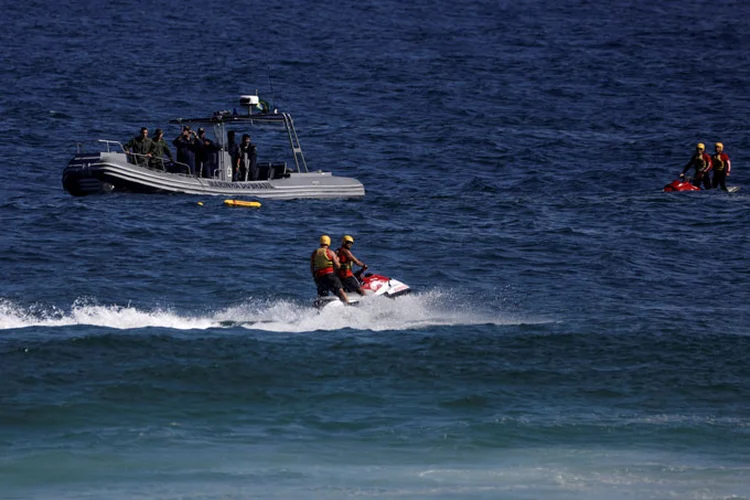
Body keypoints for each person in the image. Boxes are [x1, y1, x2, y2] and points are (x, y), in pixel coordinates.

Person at [310, 235, 349, 304]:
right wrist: (338, 259)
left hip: (319, 276)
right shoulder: (330, 252)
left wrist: (314, 276)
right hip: (330, 275)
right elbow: (337, 265)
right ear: (329, 243)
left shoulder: (314, 253)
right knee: (340, 290)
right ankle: (347, 303)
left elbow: (312, 266)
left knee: (322, 295)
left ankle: (320, 308)